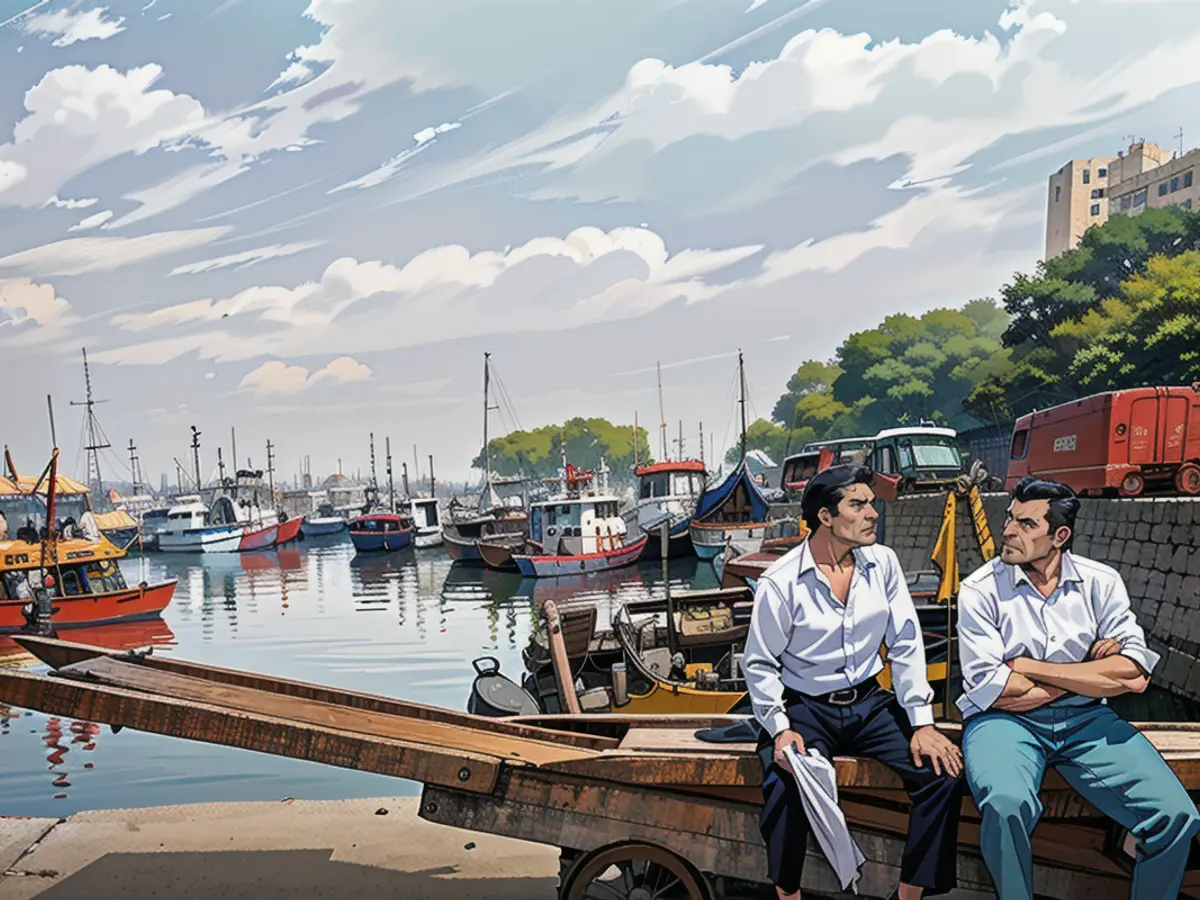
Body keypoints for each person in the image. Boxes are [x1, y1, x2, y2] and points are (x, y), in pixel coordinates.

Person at [957, 476, 1200, 900]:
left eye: (1026, 524)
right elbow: (994, 690)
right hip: (1003, 724)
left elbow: (1136, 673)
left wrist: (1034, 668)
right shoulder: (979, 589)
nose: (1009, 531)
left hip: (1087, 721)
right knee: (1006, 804)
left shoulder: (1100, 582)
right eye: (1010, 518)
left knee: (1175, 815)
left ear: (1059, 536)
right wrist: (1089, 672)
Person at [742, 464, 964, 900]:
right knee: (786, 783)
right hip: (806, 706)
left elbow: (905, 642)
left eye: (871, 503)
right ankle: (789, 895)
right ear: (825, 516)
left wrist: (922, 723)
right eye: (857, 505)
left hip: (870, 703)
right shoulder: (781, 582)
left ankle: (908, 894)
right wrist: (781, 729)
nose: (872, 513)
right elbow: (760, 664)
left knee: (943, 775)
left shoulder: (882, 564)